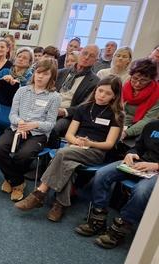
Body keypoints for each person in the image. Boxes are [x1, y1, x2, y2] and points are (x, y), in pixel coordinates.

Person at [15, 76, 124, 222]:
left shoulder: (116, 115)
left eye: (108, 93)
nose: (102, 95)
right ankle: (60, 204)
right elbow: (69, 134)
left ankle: (40, 193)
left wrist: (89, 143)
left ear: (115, 96)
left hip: (96, 151)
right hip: (74, 146)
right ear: (95, 90)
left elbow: (109, 144)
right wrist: (77, 142)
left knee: (61, 154)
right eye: (100, 91)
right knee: (68, 164)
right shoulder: (83, 108)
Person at [75, 119, 159, 249]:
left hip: (156, 172)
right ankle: (98, 217)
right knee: (102, 174)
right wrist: (131, 154)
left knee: (141, 191)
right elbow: (138, 147)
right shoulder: (152, 125)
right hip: (139, 164)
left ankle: (122, 227)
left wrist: (156, 165)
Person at [0, 59, 61, 202]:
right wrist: (21, 123)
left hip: (38, 133)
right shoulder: (22, 90)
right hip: (17, 128)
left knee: (24, 154)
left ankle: (11, 179)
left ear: (52, 77)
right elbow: (12, 114)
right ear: (34, 73)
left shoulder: (54, 97)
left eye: (45, 74)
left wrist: (33, 125)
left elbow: (50, 124)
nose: (40, 76)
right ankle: (17, 182)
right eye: (38, 72)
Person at [50, 44, 100, 147]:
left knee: (53, 128)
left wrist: (63, 112)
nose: (86, 57)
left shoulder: (95, 81)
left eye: (91, 56)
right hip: (50, 108)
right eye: (85, 53)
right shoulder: (61, 72)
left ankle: (49, 157)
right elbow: (48, 91)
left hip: (70, 115)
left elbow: (85, 105)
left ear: (96, 60)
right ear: (80, 53)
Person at [0, 47, 34, 129]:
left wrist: (19, 86)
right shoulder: (5, 71)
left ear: (29, 63)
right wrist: (1, 81)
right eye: (19, 56)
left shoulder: (30, 77)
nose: (21, 59)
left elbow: (29, 97)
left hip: (16, 109)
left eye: (24, 58)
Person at [121, 58, 159, 143]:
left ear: (151, 80)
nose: (137, 83)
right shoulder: (125, 86)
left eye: (143, 80)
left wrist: (126, 133)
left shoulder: (157, 94)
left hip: (138, 132)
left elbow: (148, 120)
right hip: (118, 124)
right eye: (135, 78)